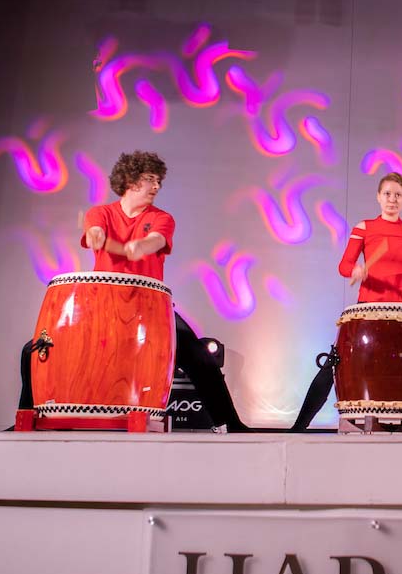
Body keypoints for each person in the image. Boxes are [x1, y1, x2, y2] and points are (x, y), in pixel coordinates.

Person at [16, 151, 248, 432]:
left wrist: (133, 247)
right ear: (130, 180)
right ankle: (24, 417)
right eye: (150, 179)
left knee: (199, 356)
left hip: (149, 307)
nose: (156, 186)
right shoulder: (100, 212)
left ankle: (231, 424)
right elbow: (94, 234)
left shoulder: (162, 218)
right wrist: (96, 236)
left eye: (158, 181)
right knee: (35, 349)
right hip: (103, 306)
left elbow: (150, 243)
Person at [290, 172, 402, 431]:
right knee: (334, 363)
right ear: (378, 197)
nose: (392, 199)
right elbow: (344, 265)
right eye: (387, 194)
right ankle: (298, 427)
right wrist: (356, 270)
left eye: (398, 195)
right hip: (369, 308)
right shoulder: (364, 228)